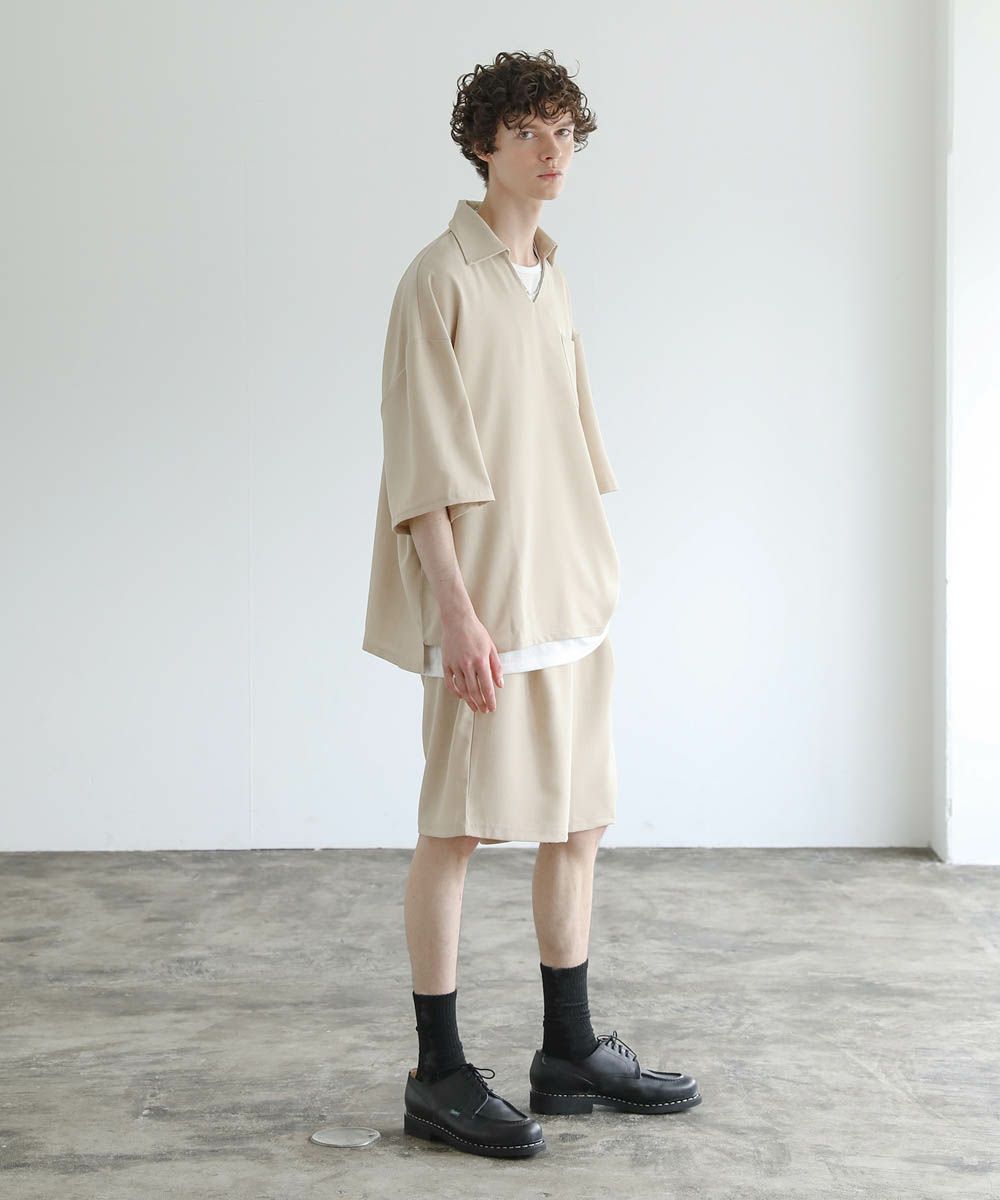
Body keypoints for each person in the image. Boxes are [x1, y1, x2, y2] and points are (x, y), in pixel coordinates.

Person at [362, 49, 701, 1160]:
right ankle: (437, 1073)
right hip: (488, 606)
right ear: (482, 146)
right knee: (455, 830)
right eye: (527, 132)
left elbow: (567, 442)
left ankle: (568, 1050)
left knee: (580, 819)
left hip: (571, 597)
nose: (553, 151)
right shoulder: (438, 279)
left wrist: (597, 571)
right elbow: (420, 467)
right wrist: (456, 614)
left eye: (563, 130)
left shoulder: (550, 276)